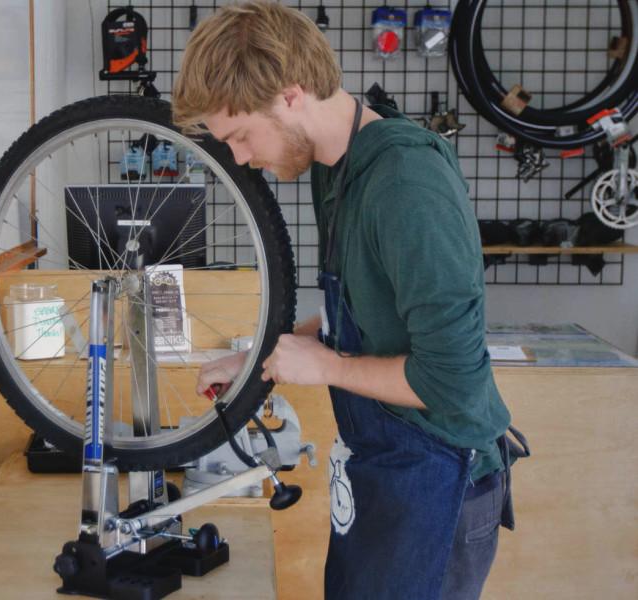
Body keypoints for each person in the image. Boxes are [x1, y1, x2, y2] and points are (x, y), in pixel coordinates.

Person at [171, 2, 527, 599]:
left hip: (440, 482)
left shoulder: (407, 186)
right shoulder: (336, 167)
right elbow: (361, 314)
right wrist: (267, 356)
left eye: (238, 135)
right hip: (385, 470)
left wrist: (327, 367)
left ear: (289, 95)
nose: (237, 157)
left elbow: (452, 382)